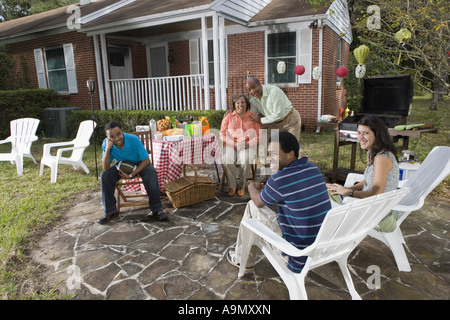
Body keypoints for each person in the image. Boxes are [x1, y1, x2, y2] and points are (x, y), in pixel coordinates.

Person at [227, 131, 331, 273]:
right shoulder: (313, 168)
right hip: (319, 248)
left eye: (274, 153)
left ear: (290, 154)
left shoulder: (279, 179)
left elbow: (258, 202)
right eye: (268, 154)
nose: (269, 158)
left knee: (252, 207)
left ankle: (241, 260)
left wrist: (251, 186)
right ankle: (242, 258)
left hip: (296, 254)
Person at [326, 115, 399, 232]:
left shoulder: (382, 158)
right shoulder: (372, 152)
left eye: (365, 133)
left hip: (377, 214)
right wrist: (346, 188)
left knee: (325, 197)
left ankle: (331, 233)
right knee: (329, 189)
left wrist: (349, 192)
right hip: (369, 205)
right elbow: (368, 180)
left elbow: (376, 194)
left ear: (377, 134)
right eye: (359, 133)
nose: (360, 137)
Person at [97, 121, 166, 224]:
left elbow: (147, 161)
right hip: (121, 165)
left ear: (122, 131)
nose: (116, 138)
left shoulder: (133, 139)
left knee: (150, 172)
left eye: (118, 134)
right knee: (105, 176)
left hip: (139, 163)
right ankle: (110, 212)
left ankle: (157, 209)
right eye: (111, 136)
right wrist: (107, 149)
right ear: (107, 137)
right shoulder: (106, 144)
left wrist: (131, 175)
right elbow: (106, 168)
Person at [220, 94, 261, 197]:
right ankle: (232, 186)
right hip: (231, 144)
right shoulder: (228, 117)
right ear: (234, 104)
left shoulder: (252, 117)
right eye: (237, 102)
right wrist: (233, 144)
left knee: (246, 159)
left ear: (247, 104)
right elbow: (222, 134)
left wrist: (248, 144)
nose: (240, 105)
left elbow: (259, 135)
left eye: (243, 102)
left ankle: (241, 186)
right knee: (226, 159)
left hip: (247, 145)